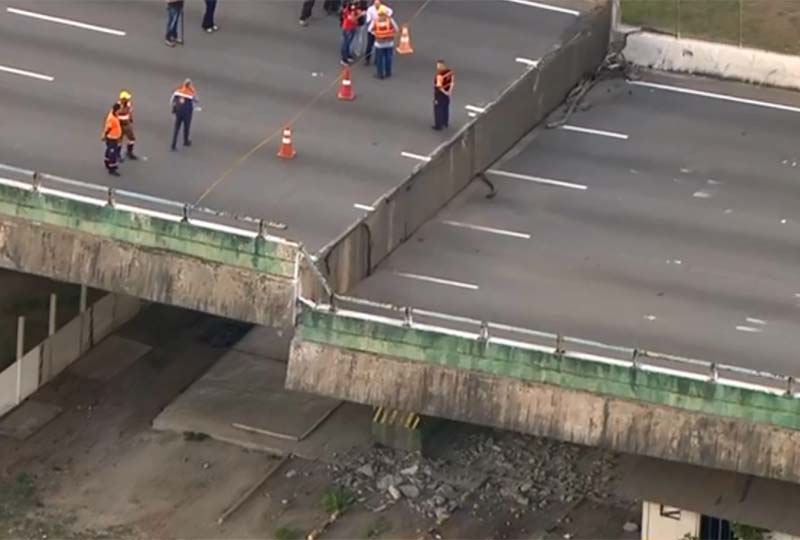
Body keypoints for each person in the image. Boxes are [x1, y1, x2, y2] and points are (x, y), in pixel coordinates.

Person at [368, 7, 398, 79]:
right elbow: (396, 28)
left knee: (380, 59)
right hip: (389, 43)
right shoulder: (390, 20)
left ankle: (380, 74)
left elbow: (369, 30)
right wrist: (392, 33)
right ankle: (388, 72)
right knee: (388, 58)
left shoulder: (376, 21)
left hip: (379, 44)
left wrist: (375, 34)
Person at [170, 79, 198, 151]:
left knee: (176, 128)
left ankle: (173, 144)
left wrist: (174, 108)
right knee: (186, 127)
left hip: (178, 112)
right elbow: (197, 100)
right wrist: (193, 90)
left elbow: (172, 100)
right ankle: (185, 141)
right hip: (187, 113)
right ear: (189, 85)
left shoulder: (178, 90)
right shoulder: (190, 92)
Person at [363, 0, 392, 66]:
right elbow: (368, 18)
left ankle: (377, 60)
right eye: (376, 3)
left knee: (378, 46)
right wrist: (368, 21)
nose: (377, 5)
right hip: (372, 30)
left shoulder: (383, 8)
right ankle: (367, 59)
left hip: (380, 31)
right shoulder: (370, 9)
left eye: (378, 3)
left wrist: (387, 16)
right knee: (369, 45)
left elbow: (390, 11)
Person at [101, 103, 123, 176]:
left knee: (109, 150)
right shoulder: (112, 118)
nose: (121, 111)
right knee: (112, 153)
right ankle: (112, 168)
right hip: (112, 138)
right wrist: (104, 135)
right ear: (117, 110)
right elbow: (108, 128)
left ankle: (107, 162)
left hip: (114, 137)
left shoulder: (113, 113)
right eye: (120, 110)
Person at [116, 90, 138, 161]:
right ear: (122, 99)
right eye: (126, 98)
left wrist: (131, 118)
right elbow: (115, 114)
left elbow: (130, 112)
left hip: (127, 123)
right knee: (119, 140)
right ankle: (117, 154)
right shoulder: (118, 105)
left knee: (132, 138)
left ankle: (129, 152)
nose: (128, 99)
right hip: (119, 124)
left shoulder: (129, 104)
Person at [433, 59, 454, 130]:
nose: (437, 67)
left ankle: (438, 125)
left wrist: (445, 92)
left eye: (438, 65)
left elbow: (439, 87)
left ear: (441, 65)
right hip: (447, 93)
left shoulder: (439, 75)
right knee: (445, 108)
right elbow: (452, 82)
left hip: (439, 94)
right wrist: (449, 92)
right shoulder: (449, 72)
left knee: (438, 109)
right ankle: (445, 122)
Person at [339, 1, 361, 65]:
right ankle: (344, 59)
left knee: (349, 42)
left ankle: (348, 55)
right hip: (348, 28)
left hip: (352, 27)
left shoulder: (353, 9)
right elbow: (352, 19)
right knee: (345, 43)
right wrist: (360, 15)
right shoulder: (349, 10)